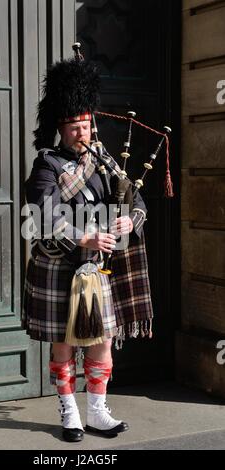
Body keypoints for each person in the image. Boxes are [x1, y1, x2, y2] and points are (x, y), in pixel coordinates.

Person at [22, 51, 153, 442]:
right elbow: (39, 217)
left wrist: (131, 219)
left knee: (101, 342)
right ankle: (70, 412)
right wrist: (82, 237)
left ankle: (97, 410)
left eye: (86, 125)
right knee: (63, 344)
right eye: (75, 127)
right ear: (60, 129)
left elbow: (136, 201)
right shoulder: (46, 165)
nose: (83, 133)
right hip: (61, 268)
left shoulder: (105, 161)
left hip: (98, 271)